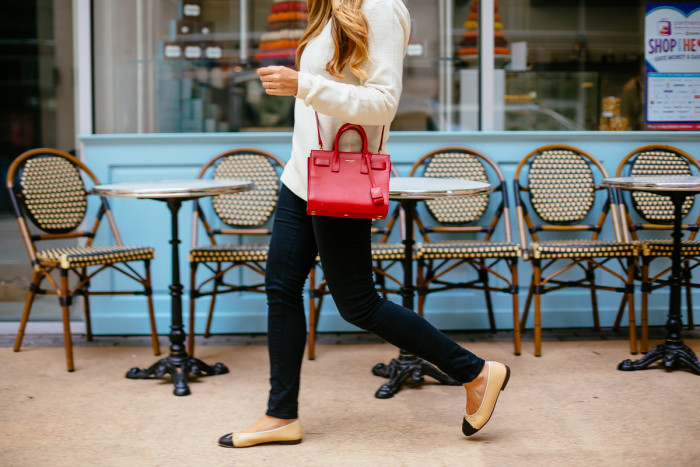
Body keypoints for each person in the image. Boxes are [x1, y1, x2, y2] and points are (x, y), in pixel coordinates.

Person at [218, 0, 510, 448]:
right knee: (280, 287)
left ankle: (474, 371)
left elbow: (383, 103)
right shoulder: (330, 7)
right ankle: (280, 415)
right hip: (302, 175)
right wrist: (305, 87)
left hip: (339, 177)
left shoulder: (381, 9)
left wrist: (304, 84)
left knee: (358, 303)